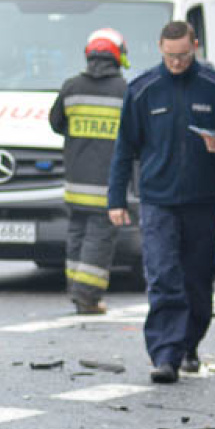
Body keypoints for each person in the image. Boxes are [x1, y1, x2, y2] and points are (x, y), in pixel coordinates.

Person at [106, 21, 215, 384]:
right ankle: (165, 355)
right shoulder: (143, 90)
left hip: (203, 201)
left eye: (183, 55)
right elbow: (124, 147)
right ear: (160, 48)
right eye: (170, 56)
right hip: (158, 201)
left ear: (195, 47)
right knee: (163, 275)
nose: (176, 63)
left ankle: (189, 344)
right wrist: (116, 198)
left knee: (198, 280)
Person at [49, 28, 130, 315]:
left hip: (75, 182)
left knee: (76, 236)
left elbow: (56, 123)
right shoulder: (124, 92)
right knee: (98, 239)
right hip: (106, 185)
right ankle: (88, 298)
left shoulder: (71, 87)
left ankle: (76, 291)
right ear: (119, 57)